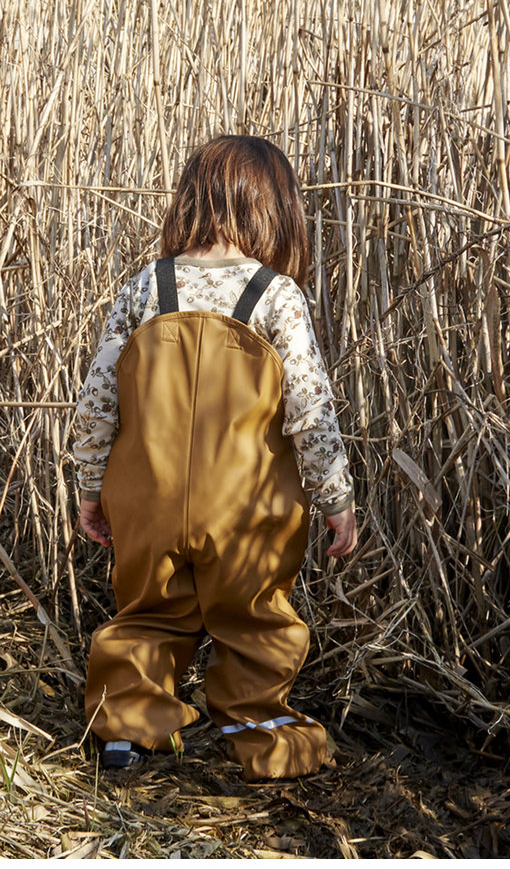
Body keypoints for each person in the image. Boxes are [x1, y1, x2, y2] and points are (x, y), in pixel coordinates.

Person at [74, 135, 357, 781]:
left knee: (147, 614)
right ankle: (264, 739)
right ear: (273, 211)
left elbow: (98, 400)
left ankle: (124, 732)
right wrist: (335, 497)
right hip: (247, 508)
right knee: (254, 618)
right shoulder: (277, 295)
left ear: (189, 202)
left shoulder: (148, 285)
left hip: (147, 501)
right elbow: (309, 410)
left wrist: (92, 488)